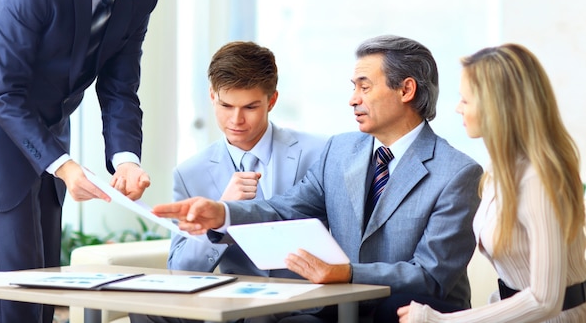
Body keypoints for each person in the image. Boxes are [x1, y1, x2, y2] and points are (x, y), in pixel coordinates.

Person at [153, 35, 484, 323]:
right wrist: (224, 214)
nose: (353, 99)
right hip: (337, 309)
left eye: (364, 87)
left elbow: (432, 276)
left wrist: (346, 273)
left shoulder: (456, 172)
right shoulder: (340, 150)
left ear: (406, 90)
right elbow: (286, 209)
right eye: (353, 88)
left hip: (408, 313)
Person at [0, 0, 185, 323]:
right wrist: (65, 164)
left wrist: (126, 159)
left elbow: (119, 86)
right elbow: (2, 92)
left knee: (43, 292)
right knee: (15, 298)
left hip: (50, 147)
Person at [130, 41, 329, 323]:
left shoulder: (321, 153)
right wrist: (222, 211)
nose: (236, 120)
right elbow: (181, 269)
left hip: (302, 302)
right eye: (226, 105)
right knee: (146, 312)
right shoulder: (191, 173)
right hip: (233, 302)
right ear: (212, 96)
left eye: (250, 107)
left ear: (271, 101)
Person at [397, 43, 586, 323]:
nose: (457, 108)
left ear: (496, 106)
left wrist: (440, 321)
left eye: (465, 100)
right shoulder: (499, 172)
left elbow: (544, 300)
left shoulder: (539, 179)